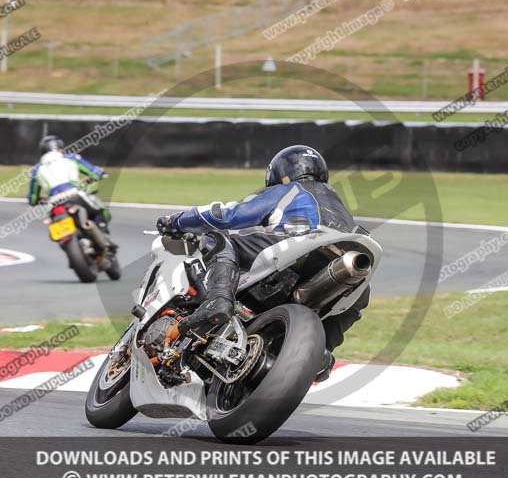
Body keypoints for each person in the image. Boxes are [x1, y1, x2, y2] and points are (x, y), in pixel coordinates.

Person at [156, 145, 370, 381]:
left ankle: (217, 300)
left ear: (280, 173)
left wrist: (177, 222)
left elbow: (226, 215)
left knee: (219, 237)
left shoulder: (289, 189)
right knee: (357, 299)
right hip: (349, 269)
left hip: (301, 245)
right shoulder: (338, 202)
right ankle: (321, 355)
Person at [28, 135, 114, 247]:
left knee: (53, 227)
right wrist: (100, 173)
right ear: (60, 147)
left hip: (53, 201)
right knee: (101, 210)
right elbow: (93, 172)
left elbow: (33, 198)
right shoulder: (70, 158)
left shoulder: (36, 169)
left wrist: (38, 200)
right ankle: (104, 234)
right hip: (74, 193)